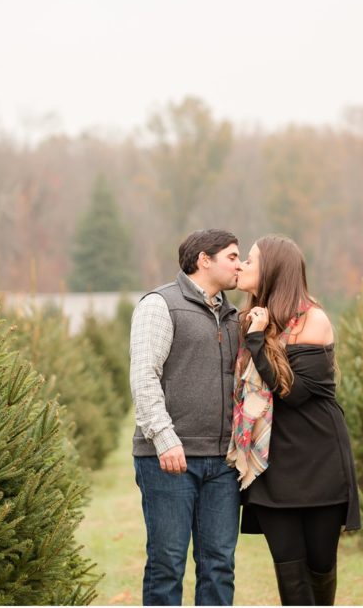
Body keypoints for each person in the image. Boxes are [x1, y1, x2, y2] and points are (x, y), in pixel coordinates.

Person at [230, 234, 361, 606]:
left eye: (250, 260)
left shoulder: (312, 320)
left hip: (318, 460)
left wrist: (257, 343)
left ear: (273, 270)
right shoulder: (251, 320)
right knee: (289, 568)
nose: (242, 266)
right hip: (270, 463)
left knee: (320, 565)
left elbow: (293, 392)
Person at [129, 229, 244, 606]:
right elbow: (144, 375)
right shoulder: (160, 304)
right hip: (169, 460)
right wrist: (165, 439)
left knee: (219, 566)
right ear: (204, 260)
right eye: (232, 256)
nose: (240, 265)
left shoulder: (234, 315)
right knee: (167, 564)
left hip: (223, 463)